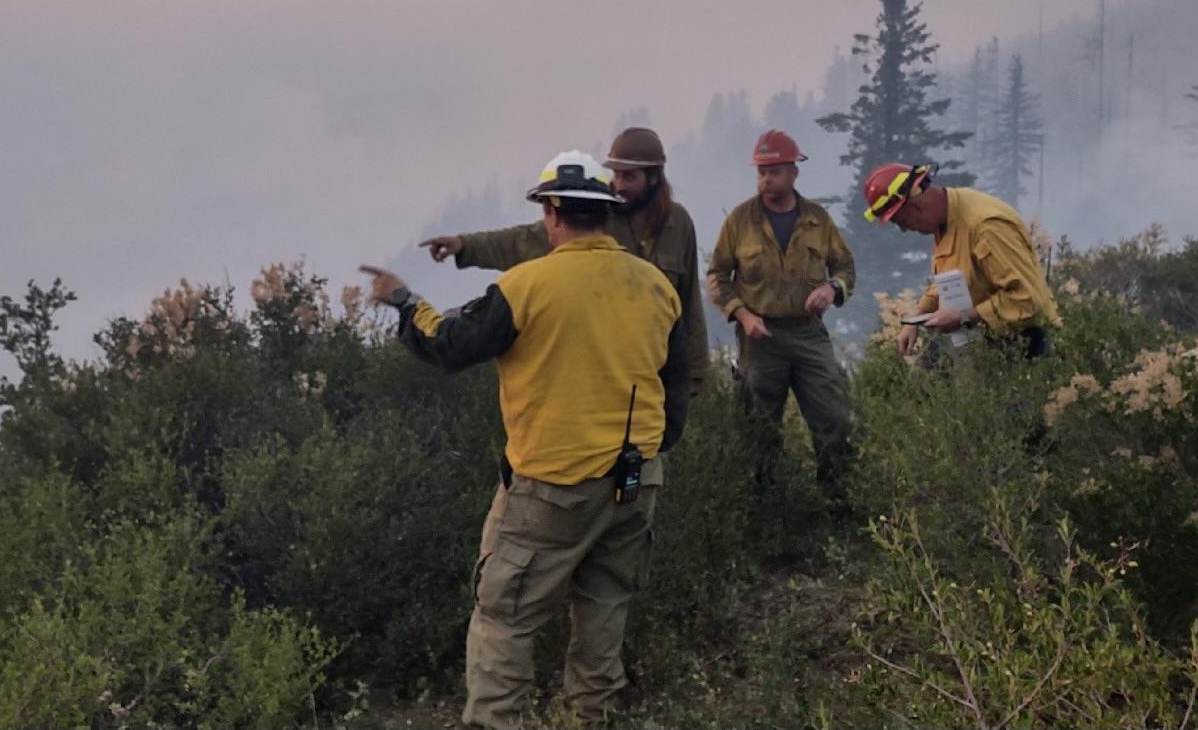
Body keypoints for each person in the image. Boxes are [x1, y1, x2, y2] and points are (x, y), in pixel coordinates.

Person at [363, 150, 688, 729]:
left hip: (552, 487)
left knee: (504, 618)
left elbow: (450, 346)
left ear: (556, 213)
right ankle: (596, 718)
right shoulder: (657, 287)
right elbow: (675, 388)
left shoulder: (526, 286)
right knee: (604, 608)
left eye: (545, 214)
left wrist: (405, 301)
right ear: (606, 215)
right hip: (637, 482)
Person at [418, 126, 710, 395]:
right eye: (616, 175)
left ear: (655, 177)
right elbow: (524, 241)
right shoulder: (599, 215)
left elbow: (688, 299)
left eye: (629, 177)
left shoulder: (679, 223)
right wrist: (465, 246)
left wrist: (695, 372)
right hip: (607, 367)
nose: (619, 185)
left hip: (658, 368)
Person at [704, 129, 855, 485]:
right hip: (760, 338)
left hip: (808, 334)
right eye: (760, 171)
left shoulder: (818, 219)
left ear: (793, 173)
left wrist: (833, 289)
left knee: (834, 422)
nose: (765, 179)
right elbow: (716, 276)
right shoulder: (740, 221)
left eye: (773, 171)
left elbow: (846, 267)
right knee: (758, 430)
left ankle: (836, 508)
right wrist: (742, 314)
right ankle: (769, 514)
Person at [863, 162, 1059, 359]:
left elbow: (1028, 299)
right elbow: (953, 276)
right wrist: (916, 316)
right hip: (989, 346)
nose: (905, 229)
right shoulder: (946, 219)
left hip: (1028, 347)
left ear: (916, 206)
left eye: (902, 222)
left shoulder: (986, 227)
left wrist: (963, 317)